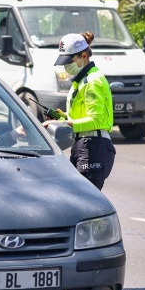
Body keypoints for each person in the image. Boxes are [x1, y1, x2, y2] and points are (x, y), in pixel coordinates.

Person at [43, 32, 115, 190]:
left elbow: (96, 121)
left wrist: (59, 122)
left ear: (83, 55)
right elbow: (84, 117)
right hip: (84, 145)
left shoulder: (92, 81)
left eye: (70, 61)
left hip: (93, 146)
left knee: (86, 202)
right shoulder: (82, 80)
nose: (66, 65)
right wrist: (63, 118)